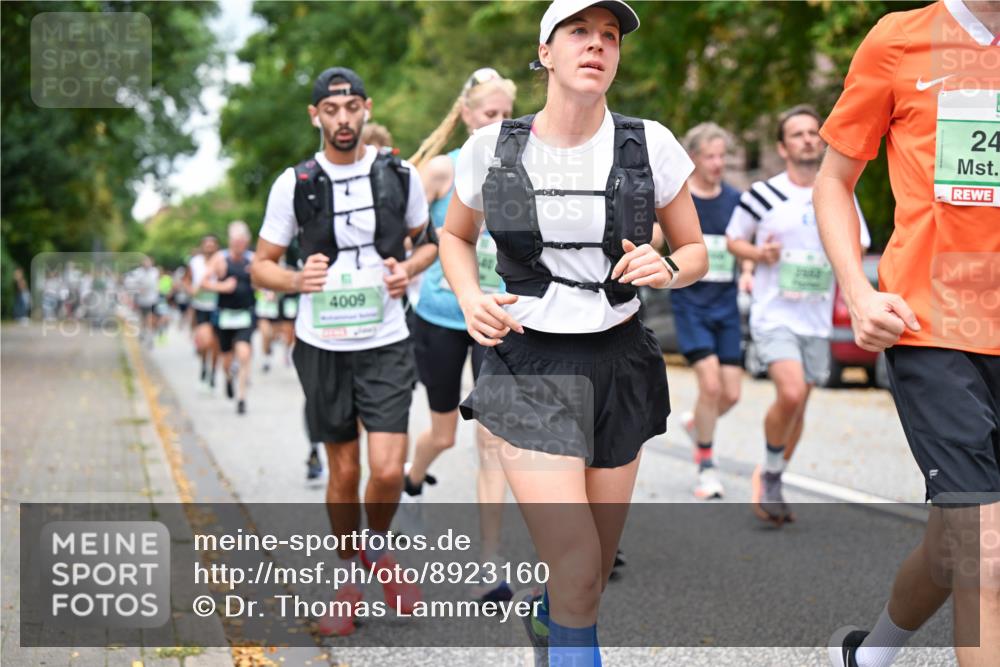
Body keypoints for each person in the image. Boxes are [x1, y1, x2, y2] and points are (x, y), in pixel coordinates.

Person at [439, 1, 707, 662]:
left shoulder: (648, 145)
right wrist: (470, 294)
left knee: (588, 575)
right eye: (579, 33)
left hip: (620, 359)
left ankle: (547, 619)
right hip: (528, 363)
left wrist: (667, 267)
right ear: (546, 51)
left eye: (609, 36)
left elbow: (695, 251)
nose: (597, 46)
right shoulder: (494, 149)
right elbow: (453, 234)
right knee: (579, 561)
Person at [813, 1, 999, 665]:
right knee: (984, 542)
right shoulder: (900, 40)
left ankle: (870, 654)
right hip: (932, 324)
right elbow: (835, 181)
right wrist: (858, 292)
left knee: (955, 542)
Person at [250, 66, 435, 636]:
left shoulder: (400, 175)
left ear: (366, 108)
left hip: (386, 340)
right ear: (316, 116)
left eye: (352, 107)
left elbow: (429, 246)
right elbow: (260, 266)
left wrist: (406, 269)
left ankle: (376, 550)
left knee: (384, 470)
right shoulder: (295, 183)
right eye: (331, 111)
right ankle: (349, 578)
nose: (343, 119)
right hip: (322, 344)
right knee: (344, 469)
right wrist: (294, 279)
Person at [725, 104, 870, 525]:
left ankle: (773, 474)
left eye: (813, 132)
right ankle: (770, 474)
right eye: (798, 134)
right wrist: (759, 253)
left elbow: (859, 244)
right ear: (782, 147)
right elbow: (735, 240)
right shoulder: (763, 195)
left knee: (800, 404)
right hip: (775, 314)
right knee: (789, 393)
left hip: (816, 318)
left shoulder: (839, 191)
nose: (809, 139)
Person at [404, 66, 517, 602]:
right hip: (442, 316)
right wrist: (399, 264)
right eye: (489, 114)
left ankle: (489, 563)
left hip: (494, 317)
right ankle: (411, 480)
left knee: (492, 437)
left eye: (506, 114)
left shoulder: (520, 167)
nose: (498, 122)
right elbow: (403, 230)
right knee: (444, 434)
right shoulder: (441, 172)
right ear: (468, 115)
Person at [671, 122, 745, 500]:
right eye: (710, 156)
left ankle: (697, 423)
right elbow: (658, 233)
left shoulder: (735, 200)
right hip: (691, 305)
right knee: (711, 385)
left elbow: (745, 242)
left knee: (731, 394)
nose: (718, 163)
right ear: (693, 158)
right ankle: (706, 467)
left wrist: (749, 268)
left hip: (727, 306)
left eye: (722, 156)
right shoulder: (681, 199)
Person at [204, 221, 256, 415]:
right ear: (230, 241)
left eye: (241, 241)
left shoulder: (253, 259)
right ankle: (227, 378)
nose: (238, 245)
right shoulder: (220, 259)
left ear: (247, 241)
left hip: (246, 313)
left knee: (244, 354)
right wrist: (222, 287)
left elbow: (263, 281)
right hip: (225, 315)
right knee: (226, 359)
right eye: (235, 242)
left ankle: (242, 398)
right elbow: (203, 282)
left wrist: (264, 288)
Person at [189, 235, 221, 389]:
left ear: (216, 246)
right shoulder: (195, 262)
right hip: (200, 306)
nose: (209, 247)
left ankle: (213, 372)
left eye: (212, 244)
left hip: (217, 306)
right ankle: (203, 364)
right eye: (206, 244)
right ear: (202, 246)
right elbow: (187, 280)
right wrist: (191, 290)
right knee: (204, 342)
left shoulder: (221, 261)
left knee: (215, 344)